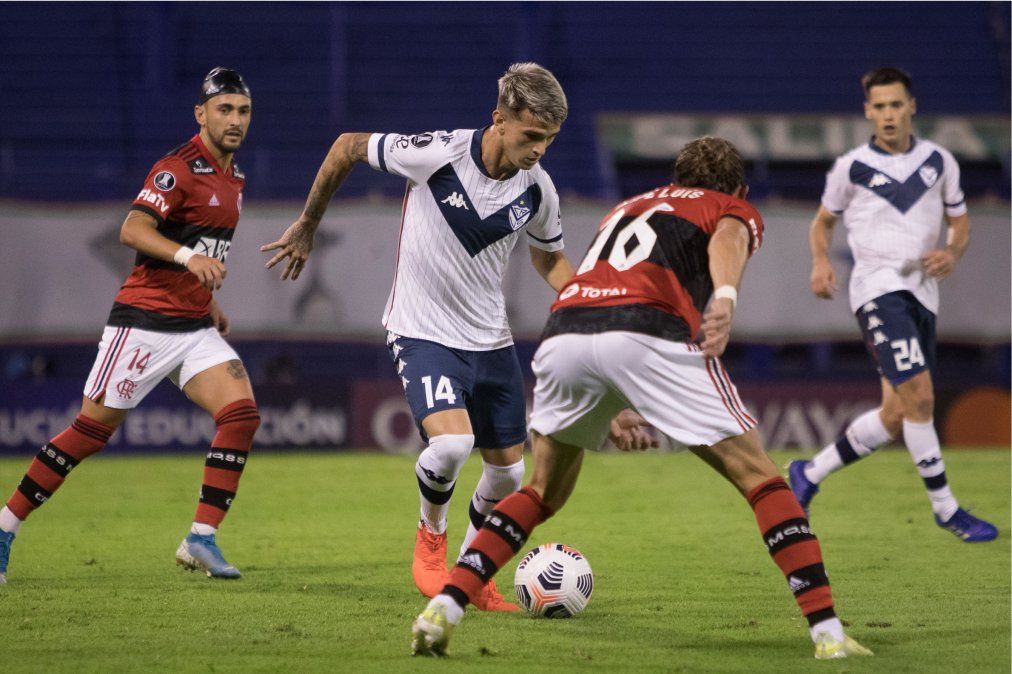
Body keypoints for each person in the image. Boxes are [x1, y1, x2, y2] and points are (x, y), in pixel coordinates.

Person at [411, 136, 872, 660]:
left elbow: (600, 294)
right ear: (739, 191)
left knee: (541, 491)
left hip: (565, 334)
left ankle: (444, 608)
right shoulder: (729, 206)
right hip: (649, 330)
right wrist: (725, 297)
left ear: (676, 179)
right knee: (763, 479)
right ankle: (828, 634)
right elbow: (727, 237)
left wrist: (610, 399)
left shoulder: (628, 207)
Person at [263, 63, 651, 611]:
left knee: (509, 474)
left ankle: (472, 574)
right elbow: (347, 145)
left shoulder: (538, 190)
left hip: (490, 340)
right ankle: (431, 536)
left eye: (549, 139)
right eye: (531, 135)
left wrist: (586, 301)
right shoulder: (437, 153)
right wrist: (307, 224)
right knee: (449, 446)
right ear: (499, 119)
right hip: (422, 331)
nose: (540, 149)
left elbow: (548, 259)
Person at [0, 67, 259, 584]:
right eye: (224, 109)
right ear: (201, 114)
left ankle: (200, 538)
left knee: (241, 416)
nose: (234, 120)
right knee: (90, 433)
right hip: (143, 322)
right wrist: (188, 258)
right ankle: (5, 527)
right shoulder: (176, 169)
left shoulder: (234, 178)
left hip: (193, 327)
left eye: (243, 111)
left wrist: (207, 302)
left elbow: (204, 245)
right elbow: (133, 228)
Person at [788, 67, 997, 543]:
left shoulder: (939, 162)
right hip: (877, 290)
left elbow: (960, 222)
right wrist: (820, 261)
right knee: (921, 396)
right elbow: (822, 222)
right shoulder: (851, 167)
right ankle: (946, 508)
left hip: (923, 293)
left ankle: (809, 473)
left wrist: (952, 252)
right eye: (879, 106)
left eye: (895, 105)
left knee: (896, 414)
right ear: (868, 111)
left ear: (911, 107)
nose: (888, 114)